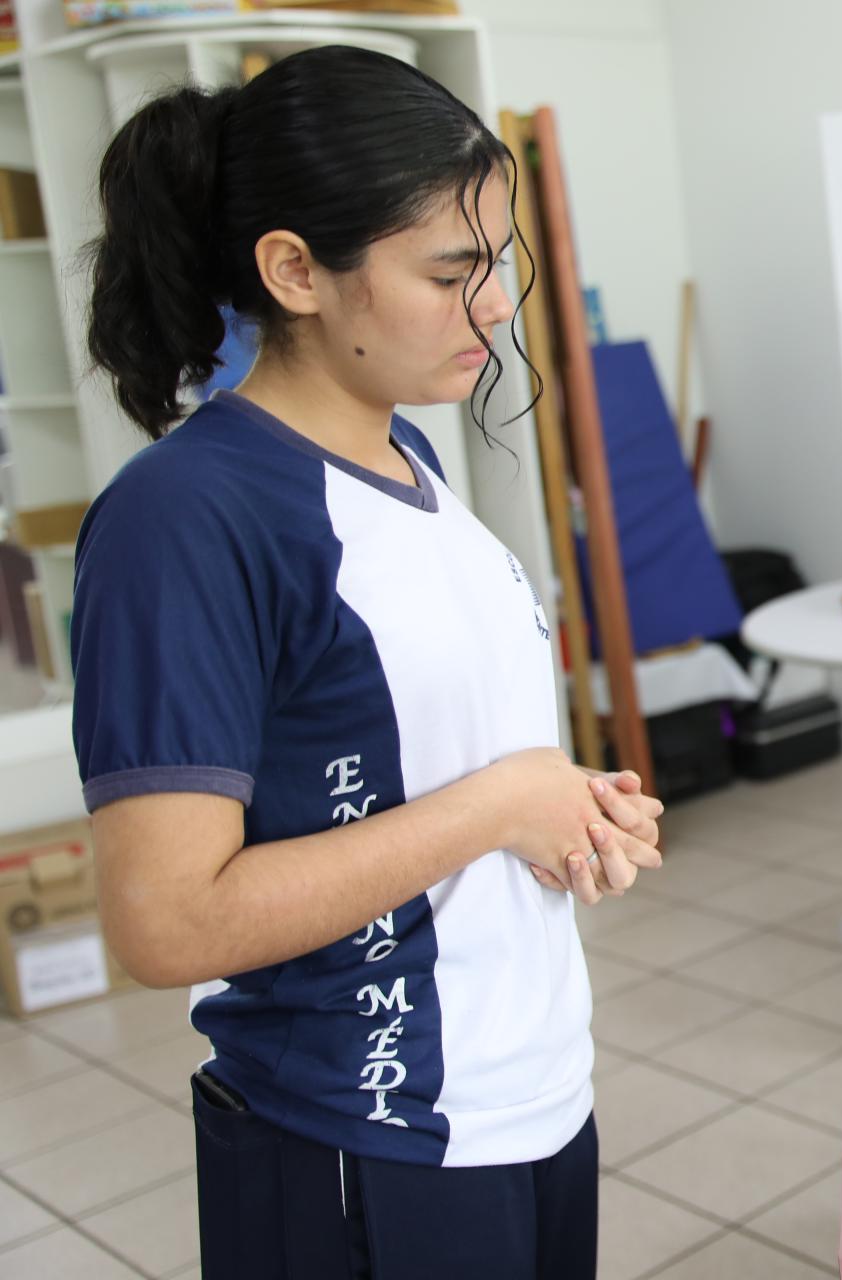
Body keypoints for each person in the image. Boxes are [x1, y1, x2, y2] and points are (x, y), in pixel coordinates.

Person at [71, 46, 657, 1280]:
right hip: (363, 1133)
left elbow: (401, 760)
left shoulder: (412, 467)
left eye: (500, 262)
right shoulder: (188, 513)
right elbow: (168, 918)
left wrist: (556, 804)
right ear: (294, 271)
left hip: (532, 1095)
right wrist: (498, 803)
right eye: (452, 271)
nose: (496, 306)